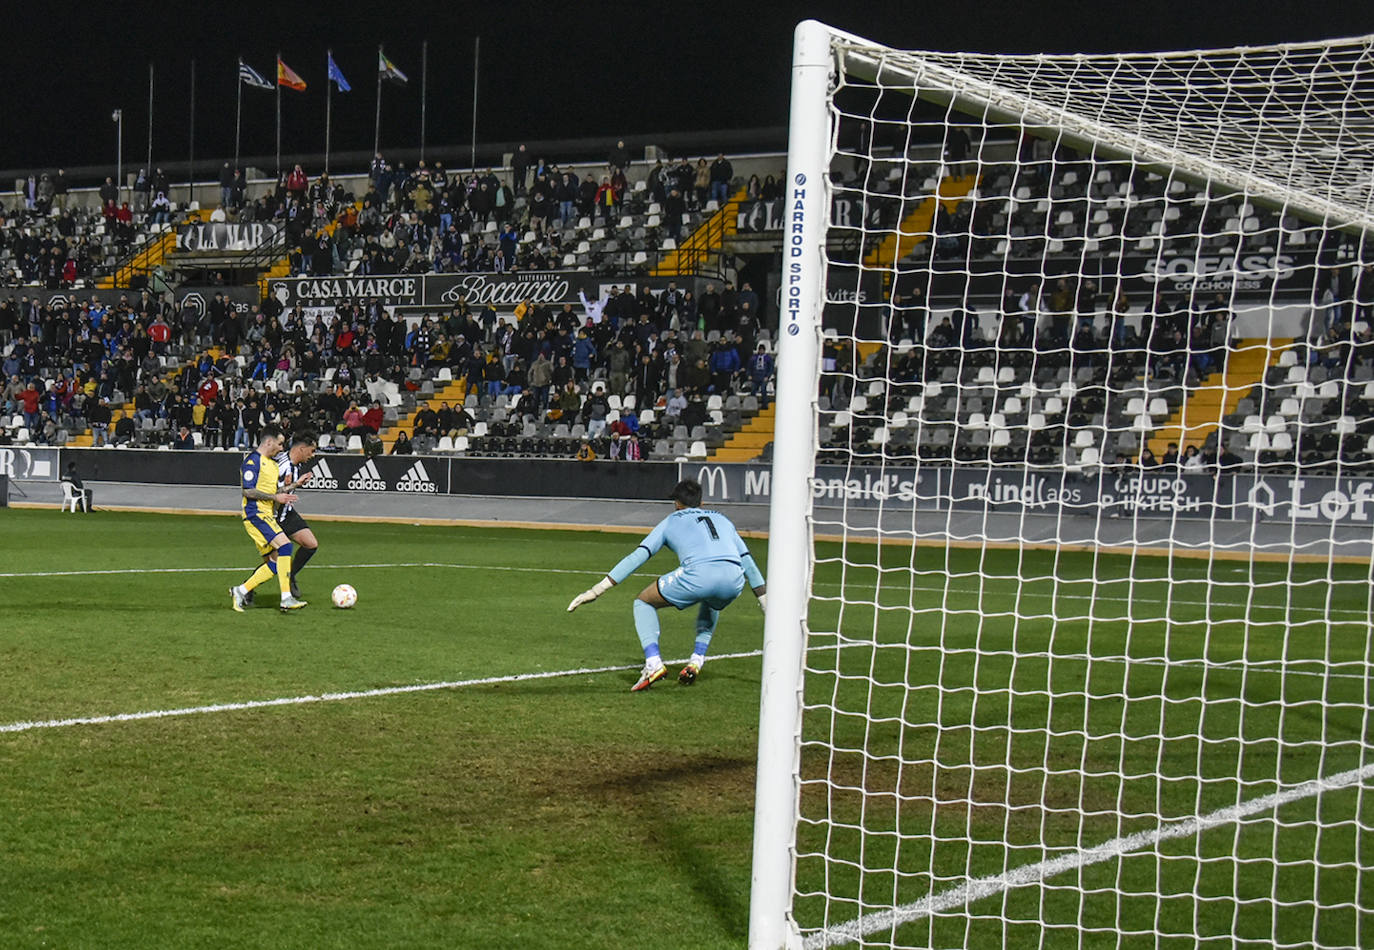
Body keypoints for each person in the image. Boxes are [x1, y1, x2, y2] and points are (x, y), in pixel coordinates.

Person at [566, 478, 766, 690]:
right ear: (702, 503)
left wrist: (597, 590)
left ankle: (653, 664)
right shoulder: (724, 520)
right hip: (734, 579)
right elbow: (749, 563)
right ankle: (697, 659)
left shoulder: (672, 520)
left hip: (699, 575)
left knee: (643, 602)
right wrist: (765, 603)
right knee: (712, 601)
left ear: (677, 504)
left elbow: (639, 556)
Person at [229, 424, 307, 612]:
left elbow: (274, 492)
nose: (282, 448)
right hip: (256, 515)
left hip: (267, 515)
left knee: (275, 561)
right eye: (280, 444)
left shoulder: (272, 465)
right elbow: (247, 490)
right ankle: (286, 598)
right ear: (269, 441)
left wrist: (295, 484)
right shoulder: (253, 461)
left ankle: (240, 590)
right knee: (286, 546)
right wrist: (275, 498)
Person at [244, 430, 320, 605]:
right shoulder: (280, 465)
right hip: (271, 515)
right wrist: (292, 486)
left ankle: (291, 575)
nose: (313, 455)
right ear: (302, 449)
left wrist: (296, 483)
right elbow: (271, 493)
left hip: (286, 512)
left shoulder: (296, 464)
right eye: (312, 450)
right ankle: (247, 589)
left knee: (311, 544)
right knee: (276, 562)